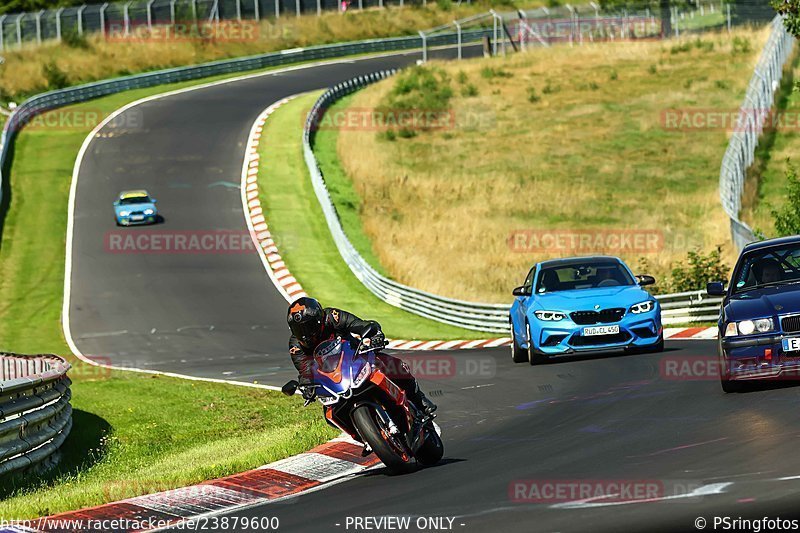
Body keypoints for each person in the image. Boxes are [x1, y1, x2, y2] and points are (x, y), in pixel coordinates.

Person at [287, 297, 437, 415]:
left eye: (308, 326)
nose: (305, 333)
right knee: (329, 414)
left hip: (356, 358)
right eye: (298, 329)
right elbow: (305, 369)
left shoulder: (333, 317)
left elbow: (358, 324)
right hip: (332, 378)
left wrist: (373, 334)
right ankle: (364, 435)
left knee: (393, 365)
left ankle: (419, 400)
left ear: (319, 319)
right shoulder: (296, 345)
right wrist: (306, 386)